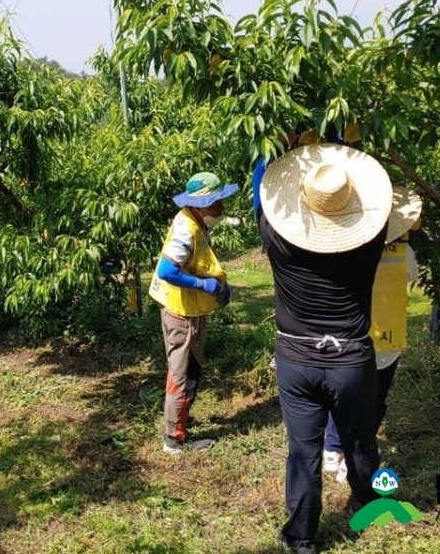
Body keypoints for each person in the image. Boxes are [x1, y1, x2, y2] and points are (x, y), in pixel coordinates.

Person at [257, 143, 392, 554]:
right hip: (351, 361)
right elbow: (380, 211)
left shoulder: (277, 243)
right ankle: (370, 502)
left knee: (303, 451)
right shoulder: (368, 245)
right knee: (360, 440)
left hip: (296, 361)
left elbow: (262, 194)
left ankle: (301, 538)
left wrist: (274, 146)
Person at [322, 187, 423, 482]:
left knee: (342, 395)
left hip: (349, 335)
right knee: (375, 400)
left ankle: (332, 448)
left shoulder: (344, 249)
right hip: (388, 340)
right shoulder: (405, 252)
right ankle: (351, 461)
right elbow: (411, 277)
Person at [148, 172, 237, 455]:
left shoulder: (195, 220)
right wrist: (202, 284)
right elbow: (166, 270)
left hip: (189, 308)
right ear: (200, 206)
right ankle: (174, 439)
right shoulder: (187, 229)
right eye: (216, 203)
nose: (221, 209)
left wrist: (218, 285)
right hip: (182, 311)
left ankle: (181, 419)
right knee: (182, 373)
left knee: (189, 369)